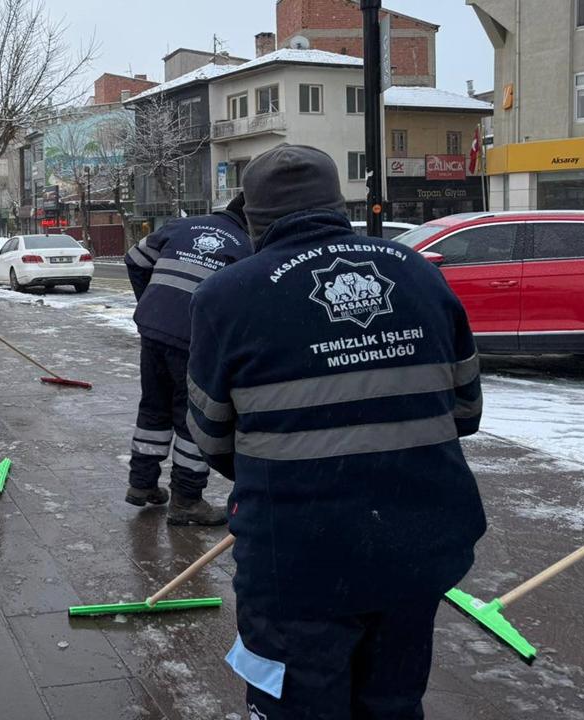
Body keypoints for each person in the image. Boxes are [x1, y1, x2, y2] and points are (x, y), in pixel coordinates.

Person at [185, 144, 486, 719]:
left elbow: (212, 435)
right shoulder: (419, 272)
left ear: (254, 218)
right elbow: (465, 411)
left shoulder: (227, 296)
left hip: (298, 560)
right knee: (394, 703)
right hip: (419, 548)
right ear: (338, 203)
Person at [123, 196, 251, 525]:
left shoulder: (179, 226)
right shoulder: (244, 245)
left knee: (153, 405)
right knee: (191, 416)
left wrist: (153, 300)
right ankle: (187, 499)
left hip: (153, 329)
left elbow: (135, 258)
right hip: (192, 339)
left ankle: (141, 484)